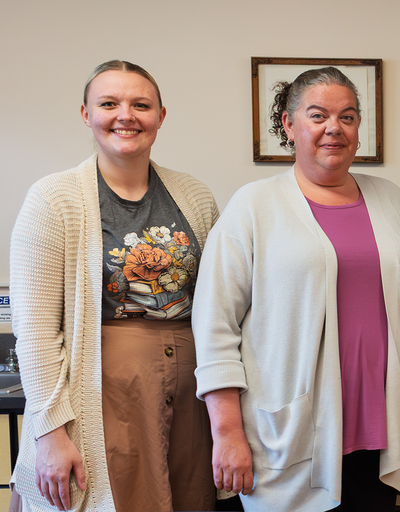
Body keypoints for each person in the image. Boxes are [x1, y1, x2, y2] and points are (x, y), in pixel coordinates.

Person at [192, 66, 400, 512]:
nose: (334, 128)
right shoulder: (253, 207)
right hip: (288, 440)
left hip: (382, 432)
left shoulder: (392, 201)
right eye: (318, 115)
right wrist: (227, 432)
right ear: (289, 126)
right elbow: (215, 327)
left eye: (347, 117)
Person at [8, 60, 220, 511]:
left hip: (192, 401)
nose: (126, 115)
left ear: (161, 116)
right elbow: (36, 331)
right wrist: (49, 432)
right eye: (109, 103)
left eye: (140, 105)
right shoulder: (53, 199)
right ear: (86, 114)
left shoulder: (196, 196)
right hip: (103, 396)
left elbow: (222, 302)